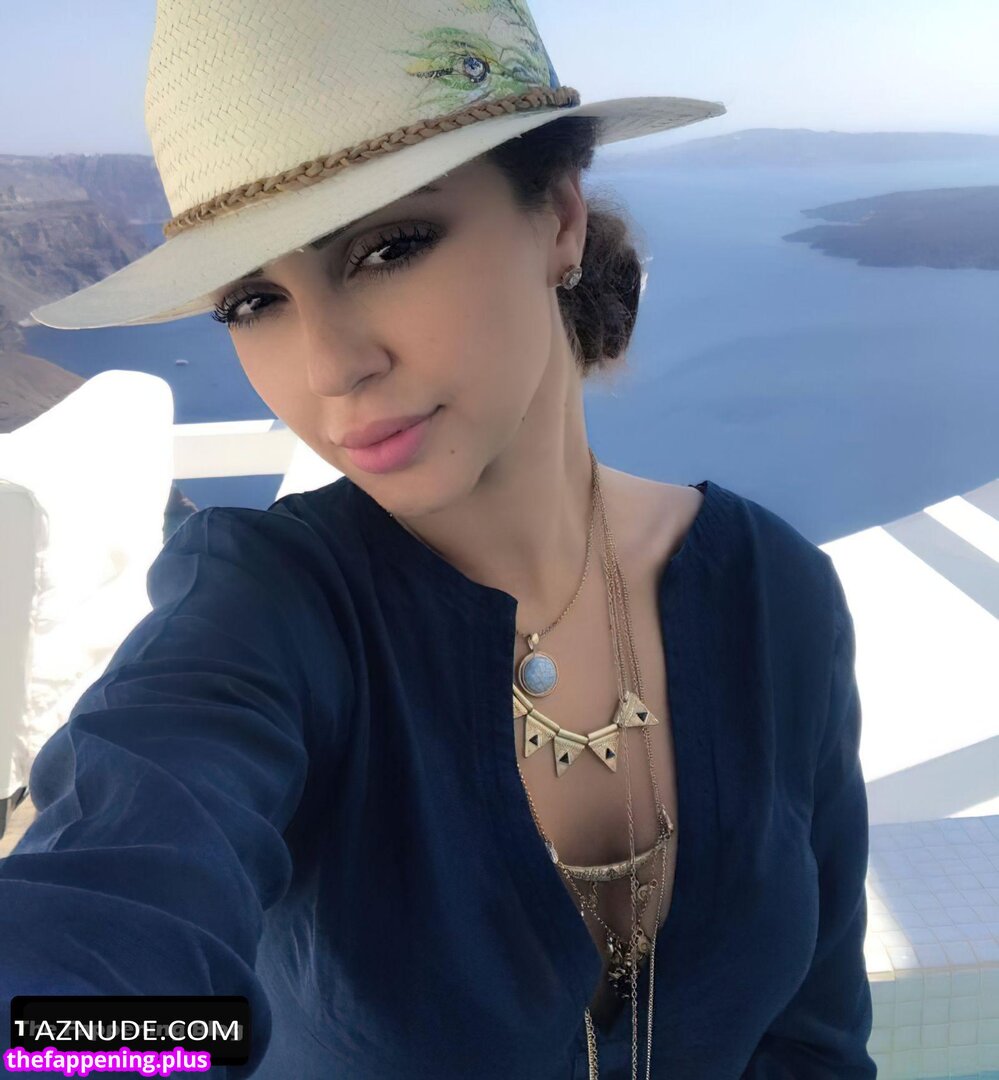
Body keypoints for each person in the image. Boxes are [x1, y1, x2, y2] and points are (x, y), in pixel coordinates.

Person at [1, 1, 876, 1077]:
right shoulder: (261, 609)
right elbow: (91, 945)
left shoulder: (776, 596)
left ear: (560, 216)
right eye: (252, 301)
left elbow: (817, 1040)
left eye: (389, 245)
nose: (328, 365)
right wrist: (133, 1048)